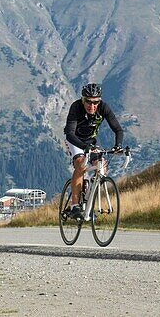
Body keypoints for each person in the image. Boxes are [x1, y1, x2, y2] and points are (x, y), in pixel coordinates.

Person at [63, 82, 124, 219]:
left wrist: (118, 145)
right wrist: (84, 148)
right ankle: (74, 206)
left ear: (99, 101)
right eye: (88, 102)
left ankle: (88, 202)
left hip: (90, 142)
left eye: (95, 102)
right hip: (74, 140)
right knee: (80, 164)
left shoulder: (103, 107)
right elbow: (69, 134)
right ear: (83, 100)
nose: (92, 106)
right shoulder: (76, 107)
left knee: (101, 168)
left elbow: (118, 129)